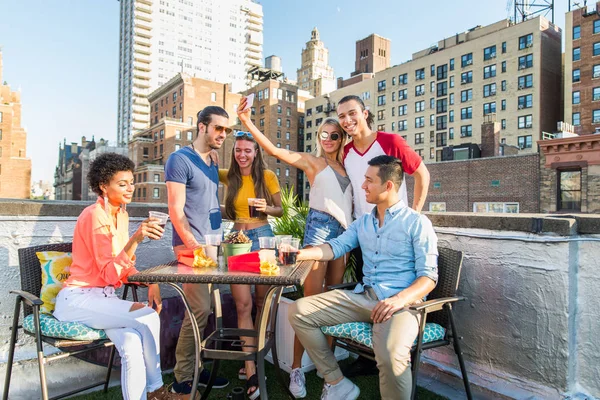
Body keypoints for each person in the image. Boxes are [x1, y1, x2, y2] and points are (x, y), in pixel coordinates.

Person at [288, 155, 439, 400]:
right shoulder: (364, 223)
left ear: (388, 186)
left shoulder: (417, 223)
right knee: (298, 311)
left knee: (391, 355)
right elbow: (335, 247)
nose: (363, 186)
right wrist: (300, 254)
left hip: (402, 306)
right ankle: (337, 383)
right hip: (364, 298)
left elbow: (428, 278)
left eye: (369, 180)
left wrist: (398, 300)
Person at [237, 97, 353, 398]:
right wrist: (248, 122)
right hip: (319, 233)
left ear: (342, 138)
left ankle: (329, 376)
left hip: (345, 234)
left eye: (334, 135)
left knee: (333, 305)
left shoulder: (349, 166)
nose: (327, 139)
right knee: (309, 305)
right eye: (323, 135)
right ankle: (298, 368)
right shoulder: (314, 162)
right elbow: (276, 150)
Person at [53, 153, 180, 400]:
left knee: (132, 343)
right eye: (122, 184)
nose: (130, 188)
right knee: (147, 316)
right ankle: (156, 389)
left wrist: (150, 281)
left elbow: (122, 268)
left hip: (103, 302)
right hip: (77, 301)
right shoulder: (93, 216)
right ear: (103, 185)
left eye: (131, 182)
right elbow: (110, 274)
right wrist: (136, 239)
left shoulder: (121, 215)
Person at [165, 106, 231, 398]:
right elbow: (175, 210)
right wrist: (193, 246)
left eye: (226, 130)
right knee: (199, 310)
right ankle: (182, 376)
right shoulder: (179, 160)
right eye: (219, 128)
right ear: (202, 126)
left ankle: (197, 367)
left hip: (214, 245)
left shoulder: (212, 160)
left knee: (206, 311)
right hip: (192, 247)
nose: (223, 135)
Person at [218, 128, 283, 400]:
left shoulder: (267, 176)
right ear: (233, 152)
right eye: (238, 150)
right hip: (236, 238)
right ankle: (250, 368)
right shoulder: (227, 176)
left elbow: (280, 209)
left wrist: (265, 207)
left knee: (261, 303)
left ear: (256, 153)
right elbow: (200, 165)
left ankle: (255, 356)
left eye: (247, 150)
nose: (242, 154)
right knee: (243, 304)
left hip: (263, 237)